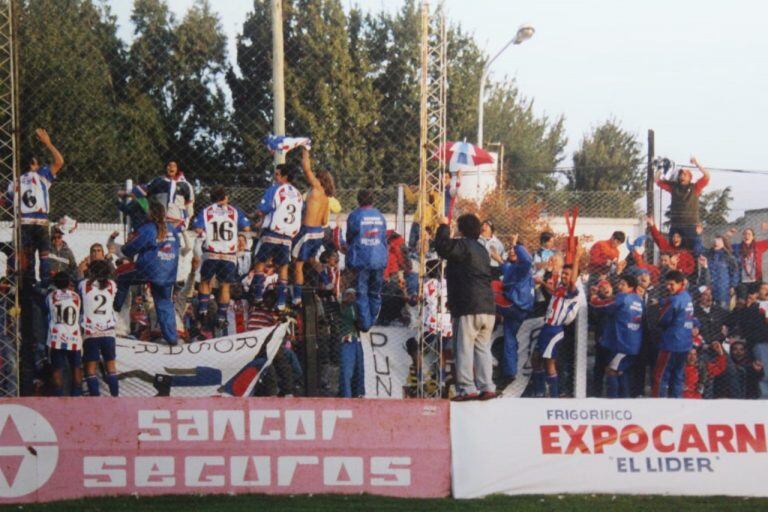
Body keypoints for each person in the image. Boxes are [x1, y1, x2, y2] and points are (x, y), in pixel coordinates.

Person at [434, 213, 496, 401]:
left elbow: (443, 248)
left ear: (461, 230)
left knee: (463, 348)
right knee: (483, 348)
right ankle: (487, 386)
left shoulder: (462, 246)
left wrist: (444, 226)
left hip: (468, 306)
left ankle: (467, 388)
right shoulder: (482, 250)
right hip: (488, 307)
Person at [114, 201, 182, 345]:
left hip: (148, 270)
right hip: (169, 273)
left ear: (150, 213)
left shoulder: (148, 229)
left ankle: (115, 310)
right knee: (164, 303)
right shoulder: (172, 229)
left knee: (121, 275)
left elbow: (128, 250)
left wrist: (129, 245)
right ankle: (172, 338)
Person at [192, 186, 251, 328]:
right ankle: (221, 316)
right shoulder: (234, 211)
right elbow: (247, 228)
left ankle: (203, 308)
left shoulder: (206, 211)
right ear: (225, 198)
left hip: (211, 252)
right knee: (225, 285)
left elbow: (198, 229)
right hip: (228, 254)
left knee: (206, 281)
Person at [531, 247, 583, 398]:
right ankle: (540, 392)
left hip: (555, 330)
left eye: (567, 274)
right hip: (547, 327)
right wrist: (542, 281)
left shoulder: (573, 291)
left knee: (549, 363)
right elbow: (554, 292)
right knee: (536, 359)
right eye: (563, 273)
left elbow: (572, 281)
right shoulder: (560, 287)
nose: (564, 276)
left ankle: (553, 395)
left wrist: (577, 258)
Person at [15, 128, 64, 285]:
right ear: (33, 164)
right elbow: (59, 161)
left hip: (24, 223)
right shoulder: (41, 175)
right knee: (44, 258)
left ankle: (28, 289)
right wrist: (47, 143)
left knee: (28, 261)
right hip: (41, 222)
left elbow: (7, 201)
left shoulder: (15, 181)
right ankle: (46, 287)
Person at [251, 163, 303, 310]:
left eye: (277, 174)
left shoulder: (275, 189)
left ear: (284, 176)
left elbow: (262, 209)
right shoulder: (298, 194)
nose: (275, 177)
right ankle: (281, 303)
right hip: (287, 237)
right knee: (283, 268)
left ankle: (258, 296)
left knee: (260, 263)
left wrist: (256, 216)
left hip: (272, 233)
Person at [292, 147, 335, 306]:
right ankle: (327, 281)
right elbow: (324, 220)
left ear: (318, 179)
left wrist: (305, 151)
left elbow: (306, 168)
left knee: (297, 264)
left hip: (308, 231)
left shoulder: (316, 187)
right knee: (311, 259)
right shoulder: (326, 197)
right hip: (318, 232)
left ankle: (296, 297)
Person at [590, 274, 644, 398]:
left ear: (631, 287)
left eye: (623, 284)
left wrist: (593, 296)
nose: (619, 287)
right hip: (634, 344)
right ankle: (624, 402)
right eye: (619, 284)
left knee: (611, 370)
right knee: (621, 372)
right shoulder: (638, 300)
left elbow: (601, 305)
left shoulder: (622, 298)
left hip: (622, 344)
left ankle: (613, 403)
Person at [346, 189, 388, 332]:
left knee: (362, 292)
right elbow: (383, 237)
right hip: (378, 258)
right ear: (373, 200)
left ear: (358, 200)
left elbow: (350, 237)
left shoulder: (354, 216)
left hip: (361, 259)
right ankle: (371, 320)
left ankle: (365, 324)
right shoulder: (380, 216)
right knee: (375, 292)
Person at [497, 234, 534, 386]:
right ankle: (510, 373)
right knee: (509, 339)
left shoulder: (523, 267)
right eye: (510, 251)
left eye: (515, 251)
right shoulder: (512, 268)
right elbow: (506, 267)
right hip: (514, 309)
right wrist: (499, 259)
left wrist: (515, 244)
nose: (512, 252)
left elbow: (527, 260)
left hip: (517, 306)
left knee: (491, 291)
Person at [652, 270, 695, 398]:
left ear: (681, 283)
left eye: (671, 284)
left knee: (661, 376)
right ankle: (676, 403)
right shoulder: (687, 297)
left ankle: (658, 405)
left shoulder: (674, 300)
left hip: (671, 344)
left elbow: (662, 319)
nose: (668, 287)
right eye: (667, 284)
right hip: (685, 344)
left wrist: (657, 309)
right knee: (677, 376)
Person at [79, 260, 119, 397]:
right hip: (108, 331)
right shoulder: (112, 285)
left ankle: (95, 400)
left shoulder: (84, 285)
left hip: (91, 332)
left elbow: (80, 278)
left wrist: (82, 268)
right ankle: (115, 398)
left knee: (90, 369)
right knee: (111, 367)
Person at [655, 156, 710, 246]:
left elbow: (707, 176)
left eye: (685, 174)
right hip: (676, 224)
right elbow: (657, 180)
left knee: (692, 249)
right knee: (673, 249)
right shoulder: (674, 187)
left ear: (690, 178)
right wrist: (660, 168)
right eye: (681, 174)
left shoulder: (695, 187)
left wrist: (696, 163)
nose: (682, 175)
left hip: (690, 225)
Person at [45, 271, 82, 396]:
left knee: (57, 370)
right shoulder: (76, 296)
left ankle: (59, 398)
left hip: (57, 338)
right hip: (74, 338)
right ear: (69, 283)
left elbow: (47, 310)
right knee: (76, 369)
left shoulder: (50, 296)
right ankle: (76, 397)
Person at [134, 161, 194, 226]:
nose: (171, 167)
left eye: (174, 166)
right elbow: (143, 191)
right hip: (159, 217)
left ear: (177, 169)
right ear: (166, 167)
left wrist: (177, 210)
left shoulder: (185, 185)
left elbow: (189, 202)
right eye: (169, 165)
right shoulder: (158, 181)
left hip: (177, 219)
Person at [338, 288, 365, 398]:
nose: (352, 297)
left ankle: (359, 394)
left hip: (358, 340)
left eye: (354, 295)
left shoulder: (358, 308)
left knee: (360, 370)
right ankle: (346, 396)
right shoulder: (343, 307)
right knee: (346, 371)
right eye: (349, 294)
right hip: (347, 339)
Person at [730, 225, 768, 299]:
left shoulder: (758, 245)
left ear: (753, 236)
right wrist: (729, 234)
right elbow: (724, 245)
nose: (746, 235)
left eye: (749, 234)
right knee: (742, 303)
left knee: (756, 302)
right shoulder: (737, 247)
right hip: (742, 281)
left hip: (756, 280)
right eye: (745, 234)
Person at [703, 236, 738, 309]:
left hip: (723, 291)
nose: (716, 242)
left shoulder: (729, 257)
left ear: (723, 243)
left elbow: (734, 272)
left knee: (722, 311)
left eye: (719, 241)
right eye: (715, 240)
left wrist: (732, 286)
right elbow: (698, 249)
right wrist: (697, 235)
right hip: (709, 290)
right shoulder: (708, 255)